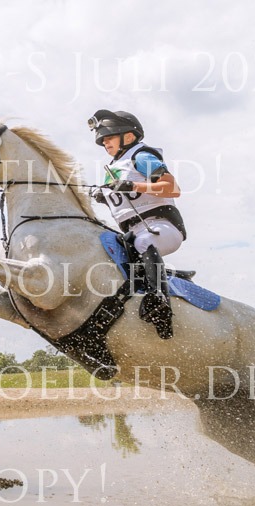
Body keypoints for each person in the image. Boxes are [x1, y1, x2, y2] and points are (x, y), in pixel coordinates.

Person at [87, 109, 186, 339]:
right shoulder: (113, 169)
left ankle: (160, 302)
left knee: (143, 242)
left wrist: (133, 186)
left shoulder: (140, 157)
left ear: (129, 136)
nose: (105, 143)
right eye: (103, 140)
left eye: (110, 137)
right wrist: (103, 197)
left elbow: (173, 188)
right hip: (132, 232)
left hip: (161, 227)